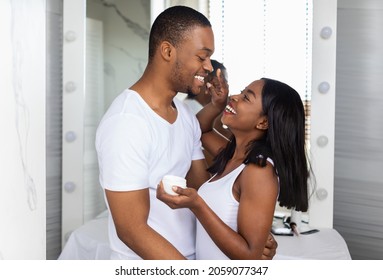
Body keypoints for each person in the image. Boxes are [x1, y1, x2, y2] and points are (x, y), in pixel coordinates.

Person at [95, 5, 277, 260]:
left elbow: (203, 190)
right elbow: (131, 230)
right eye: (202, 57)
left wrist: (254, 235)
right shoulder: (126, 122)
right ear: (168, 51)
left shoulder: (185, 117)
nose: (209, 67)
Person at [157, 77, 312, 259]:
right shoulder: (235, 157)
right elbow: (199, 129)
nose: (235, 96)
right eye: (241, 91)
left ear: (263, 123)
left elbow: (249, 256)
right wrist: (217, 105)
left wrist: (197, 205)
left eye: (246, 97)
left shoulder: (259, 171)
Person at [184, 59, 232, 165]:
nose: (226, 87)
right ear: (210, 82)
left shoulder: (207, 109)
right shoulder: (190, 113)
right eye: (224, 81)